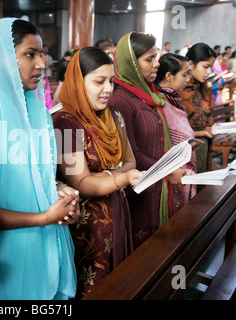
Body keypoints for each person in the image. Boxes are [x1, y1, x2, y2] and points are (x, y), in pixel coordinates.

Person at [0, 18, 79, 300]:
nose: (41, 64)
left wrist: (61, 193)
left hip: (51, 243)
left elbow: (40, 176)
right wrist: (45, 216)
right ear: (0, 59)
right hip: (11, 255)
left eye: (41, 54)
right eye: (29, 54)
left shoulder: (38, 112)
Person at [53, 46, 143, 298]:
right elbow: (80, 182)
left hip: (118, 209)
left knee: (120, 284)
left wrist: (106, 177)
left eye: (111, 81)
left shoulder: (113, 114)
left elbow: (130, 161)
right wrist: (120, 177)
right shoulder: (65, 124)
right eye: (99, 81)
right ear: (77, 82)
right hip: (89, 225)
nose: (108, 89)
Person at [108, 32, 182, 248]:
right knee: (143, 254)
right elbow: (132, 153)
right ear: (131, 63)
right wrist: (168, 169)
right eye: (149, 59)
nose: (156, 64)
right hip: (140, 190)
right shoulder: (120, 100)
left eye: (156, 57)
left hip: (158, 184)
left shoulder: (149, 94)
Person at [155, 53, 197, 214]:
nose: (188, 79)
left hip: (183, 167)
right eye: (184, 74)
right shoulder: (160, 101)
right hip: (172, 172)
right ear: (168, 76)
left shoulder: (174, 100)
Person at [178, 43, 218, 174]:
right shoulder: (179, 89)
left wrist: (211, 127)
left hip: (202, 147)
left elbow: (203, 116)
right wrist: (201, 133)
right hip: (186, 153)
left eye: (211, 67)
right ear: (190, 64)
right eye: (205, 67)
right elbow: (174, 130)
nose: (209, 72)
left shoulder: (199, 87)